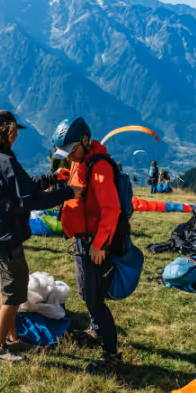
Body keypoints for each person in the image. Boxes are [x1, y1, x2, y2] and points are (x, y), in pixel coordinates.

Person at [0, 110, 78, 363]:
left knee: (12, 289)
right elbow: (30, 199)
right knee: (12, 293)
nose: (17, 135)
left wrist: (51, 178)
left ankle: (12, 339)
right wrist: (67, 193)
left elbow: (23, 186)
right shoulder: (3, 160)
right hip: (3, 237)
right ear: (6, 129)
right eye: (14, 130)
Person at [53, 117, 124, 374]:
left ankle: (112, 355)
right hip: (82, 241)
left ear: (85, 141)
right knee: (85, 294)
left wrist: (99, 244)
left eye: (72, 149)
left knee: (95, 301)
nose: (69, 156)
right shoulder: (78, 161)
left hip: (94, 244)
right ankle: (95, 331)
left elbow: (111, 209)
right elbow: (79, 187)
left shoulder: (100, 166)